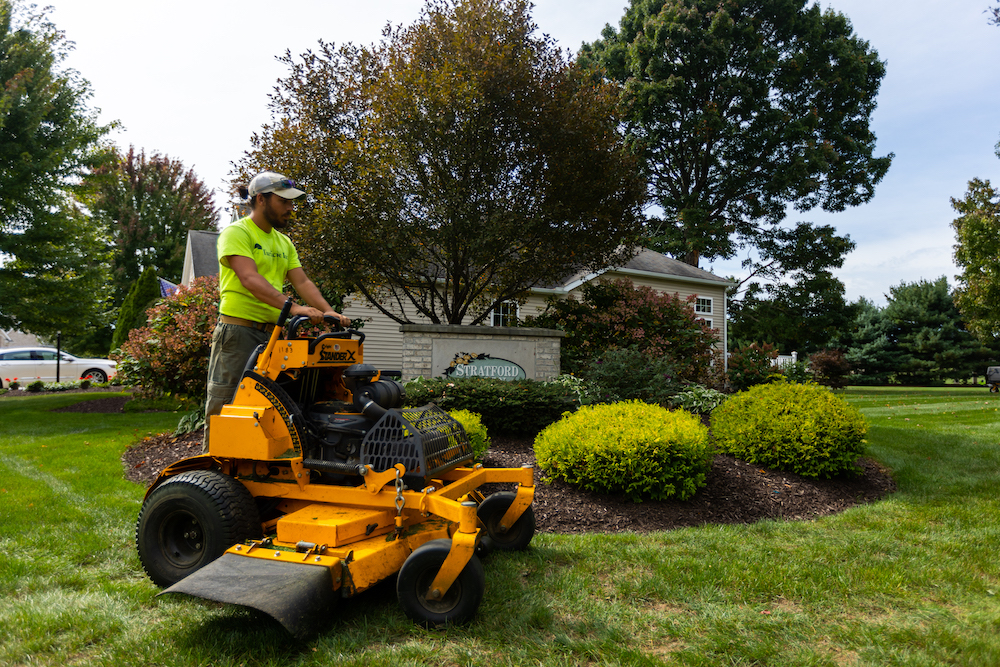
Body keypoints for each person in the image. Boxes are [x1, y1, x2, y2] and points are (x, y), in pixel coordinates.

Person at [203, 171, 350, 452]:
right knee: (226, 403)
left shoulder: (284, 243)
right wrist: (293, 307)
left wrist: (329, 312)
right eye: (284, 201)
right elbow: (249, 278)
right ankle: (212, 475)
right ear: (261, 199)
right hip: (238, 333)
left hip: (274, 338)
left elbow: (303, 281)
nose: (290, 208)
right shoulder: (237, 233)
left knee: (269, 407)